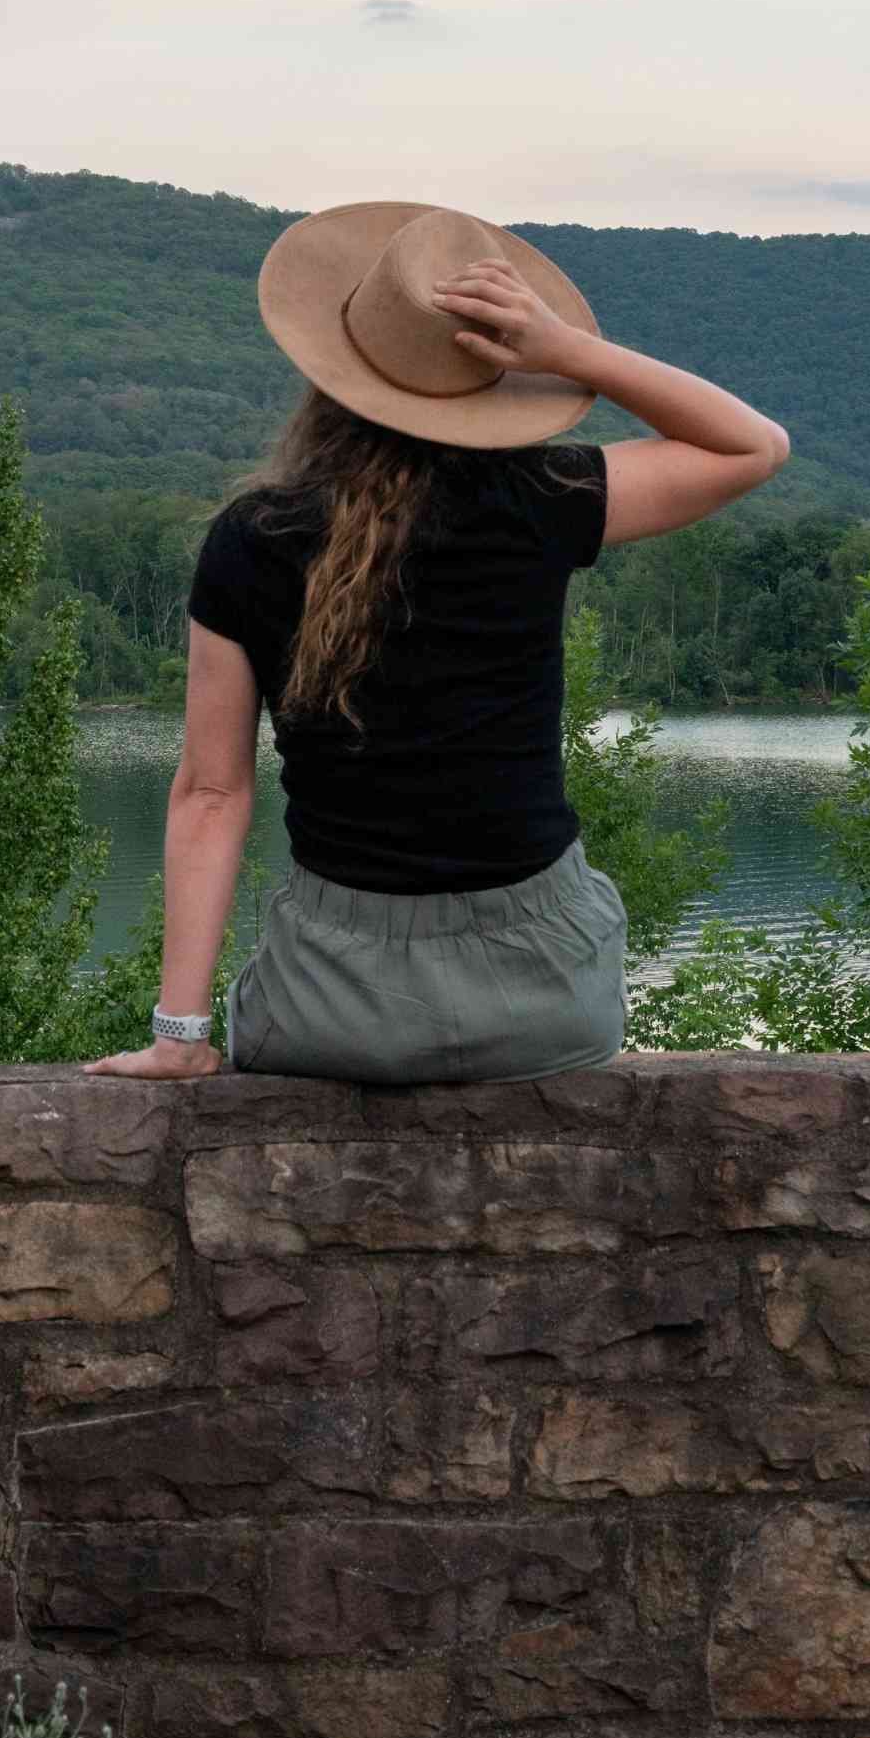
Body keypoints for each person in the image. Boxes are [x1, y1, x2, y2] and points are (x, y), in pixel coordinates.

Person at [85, 200, 789, 1084]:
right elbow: (755, 446)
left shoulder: (252, 538)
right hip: (547, 999)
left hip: (334, 1006)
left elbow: (212, 794)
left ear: (332, 372)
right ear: (491, 381)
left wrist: (181, 1033)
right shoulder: (542, 497)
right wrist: (567, 350)